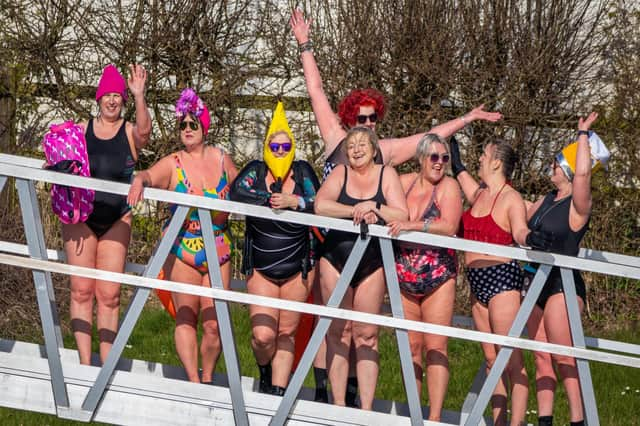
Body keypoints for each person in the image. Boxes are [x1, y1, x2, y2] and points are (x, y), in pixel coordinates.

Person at [290, 8, 502, 403]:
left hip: (370, 251)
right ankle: (327, 395)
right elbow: (316, 90)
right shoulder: (336, 139)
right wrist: (305, 44)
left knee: (364, 330)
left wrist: (467, 118)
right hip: (331, 243)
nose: (368, 126)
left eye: (373, 120)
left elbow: (429, 136)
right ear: (351, 118)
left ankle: (359, 398)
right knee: (332, 322)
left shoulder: (384, 152)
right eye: (363, 119)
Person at [127, 88, 237, 383]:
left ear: (204, 126)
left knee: (215, 323)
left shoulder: (222, 158)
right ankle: (192, 380)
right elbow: (148, 175)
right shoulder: (173, 162)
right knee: (186, 316)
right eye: (182, 124)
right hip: (183, 248)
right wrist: (139, 180)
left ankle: (209, 375)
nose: (187, 129)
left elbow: (246, 188)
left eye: (193, 124)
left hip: (218, 245)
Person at [452, 136, 553, 426]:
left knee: (511, 360)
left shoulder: (510, 198)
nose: (480, 158)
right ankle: (499, 421)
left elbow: (519, 230)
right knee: (490, 360)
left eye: (484, 154)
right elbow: (466, 181)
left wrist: (531, 239)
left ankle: (517, 423)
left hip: (502, 282)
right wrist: (456, 164)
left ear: (496, 161)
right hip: (477, 282)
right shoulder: (480, 193)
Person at [229, 102, 321, 396]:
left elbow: (319, 201)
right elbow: (236, 191)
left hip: (299, 266)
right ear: (267, 148)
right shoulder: (256, 171)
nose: (280, 152)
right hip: (262, 265)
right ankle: (265, 371)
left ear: (292, 147)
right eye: (275, 147)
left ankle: (276, 395)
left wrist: (294, 202)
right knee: (263, 335)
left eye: (285, 147)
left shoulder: (303, 171)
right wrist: (267, 199)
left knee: (286, 333)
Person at [314, 126, 408, 410]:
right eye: (351, 145)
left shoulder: (386, 174)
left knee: (366, 334)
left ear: (375, 148)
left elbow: (402, 213)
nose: (355, 149)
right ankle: (339, 404)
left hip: (372, 261)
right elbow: (321, 205)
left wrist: (374, 206)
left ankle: (366, 410)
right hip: (335, 257)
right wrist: (354, 211)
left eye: (361, 144)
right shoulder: (340, 173)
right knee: (338, 331)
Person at [63, 63, 151, 365]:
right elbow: (60, 157)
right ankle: (86, 364)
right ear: (98, 99)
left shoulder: (127, 131)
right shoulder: (82, 129)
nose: (112, 100)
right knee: (81, 290)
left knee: (110, 294)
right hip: (82, 218)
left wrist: (139, 95)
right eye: (107, 95)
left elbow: (144, 133)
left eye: (118, 95)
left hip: (117, 218)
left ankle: (106, 367)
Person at [525, 113, 606, 426]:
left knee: (563, 355)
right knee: (541, 356)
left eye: (557, 163)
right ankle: (545, 419)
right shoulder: (546, 198)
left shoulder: (578, 204)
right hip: (534, 281)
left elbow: (584, 176)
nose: (551, 166)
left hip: (563, 284)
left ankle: (577, 420)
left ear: (569, 171)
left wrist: (582, 135)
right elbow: (517, 216)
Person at [387, 134, 462, 421]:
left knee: (436, 345)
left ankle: (434, 417)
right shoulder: (403, 183)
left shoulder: (449, 186)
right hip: (402, 272)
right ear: (420, 158)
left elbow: (449, 224)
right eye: (434, 157)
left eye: (444, 158)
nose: (440, 163)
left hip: (437, 274)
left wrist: (411, 225)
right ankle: (413, 414)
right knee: (411, 347)